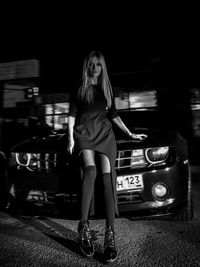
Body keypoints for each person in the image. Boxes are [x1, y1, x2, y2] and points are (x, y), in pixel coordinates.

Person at [67, 50, 147, 263]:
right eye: (91, 64)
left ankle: (110, 235)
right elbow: (71, 115)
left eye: (98, 65)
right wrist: (70, 140)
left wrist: (129, 133)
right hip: (84, 132)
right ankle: (83, 225)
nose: (94, 68)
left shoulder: (106, 89)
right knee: (90, 171)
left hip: (104, 134)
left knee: (106, 177)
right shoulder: (80, 88)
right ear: (87, 67)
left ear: (102, 67)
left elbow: (113, 115)